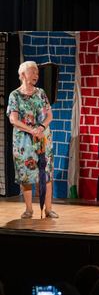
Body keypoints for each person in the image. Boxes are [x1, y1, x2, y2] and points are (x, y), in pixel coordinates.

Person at [6, 61, 57, 219]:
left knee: (46, 173)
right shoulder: (15, 95)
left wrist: (40, 128)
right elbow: (13, 119)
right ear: (22, 74)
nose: (36, 75)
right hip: (23, 141)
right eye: (32, 72)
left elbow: (49, 115)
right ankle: (29, 209)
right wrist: (31, 130)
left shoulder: (41, 93)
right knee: (26, 174)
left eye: (37, 72)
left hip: (42, 138)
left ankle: (48, 209)